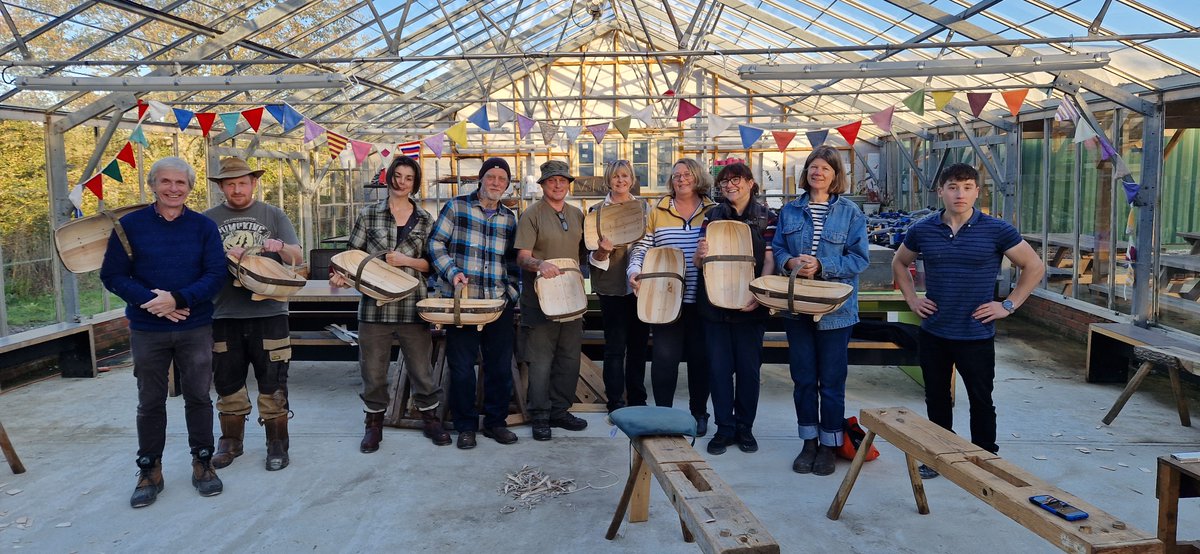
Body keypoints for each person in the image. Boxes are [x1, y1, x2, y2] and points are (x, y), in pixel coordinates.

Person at [891, 163, 1044, 479]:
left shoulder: (997, 230)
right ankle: (938, 455)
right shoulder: (923, 229)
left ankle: (986, 458)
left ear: (977, 191)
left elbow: (1034, 267)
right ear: (941, 191)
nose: (959, 193)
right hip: (935, 331)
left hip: (976, 333)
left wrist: (1009, 305)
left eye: (967, 187)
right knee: (936, 397)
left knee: (980, 399)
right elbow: (899, 263)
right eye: (952, 187)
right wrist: (913, 299)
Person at [99, 156, 227, 508]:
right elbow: (113, 275)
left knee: (199, 396)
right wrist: (151, 302)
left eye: (180, 183)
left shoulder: (202, 227)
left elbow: (216, 274)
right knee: (150, 401)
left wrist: (179, 299)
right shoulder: (130, 226)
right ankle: (149, 469)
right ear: (153, 185)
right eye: (166, 182)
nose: (173, 189)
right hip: (147, 328)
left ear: (190, 188)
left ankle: (203, 462)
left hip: (195, 325)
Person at [331, 155, 448, 452]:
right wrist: (342, 277)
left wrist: (406, 260)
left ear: (415, 183)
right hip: (375, 305)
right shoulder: (369, 214)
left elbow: (431, 266)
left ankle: (430, 418)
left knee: (421, 368)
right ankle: (374, 424)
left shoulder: (424, 219)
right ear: (389, 178)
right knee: (373, 370)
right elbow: (351, 256)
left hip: (413, 305)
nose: (402, 182)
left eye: (409, 178)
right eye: (397, 175)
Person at [772, 145, 869, 476]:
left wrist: (822, 264)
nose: (818, 173)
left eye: (825, 168)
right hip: (796, 305)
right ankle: (808, 442)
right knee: (802, 379)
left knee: (830, 381)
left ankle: (830, 444)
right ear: (806, 173)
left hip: (836, 310)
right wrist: (789, 261)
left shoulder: (851, 213)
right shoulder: (790, 210)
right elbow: (779, 247)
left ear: (835, 175)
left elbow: (859, 259)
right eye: (813, 167)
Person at [203, 156, 303, 472]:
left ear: (253, 183)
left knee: (273, 381)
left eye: (242, 182)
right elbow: (198, 264)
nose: (237, 189)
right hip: (224, 314)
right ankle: (230, 442)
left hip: (269, 312)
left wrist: (279, 247)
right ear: (221, 187)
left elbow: (296, 255)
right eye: (230, 183)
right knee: (227, 381)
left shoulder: (273, 214)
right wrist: (222, 257)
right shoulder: (207, 220)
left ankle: (277, 443)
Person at [428, 158, 521, 449]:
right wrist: (452, 272)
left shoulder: (509, 218)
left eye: (502, 179)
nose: (496, 183)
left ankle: (495, 423)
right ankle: (465, 425)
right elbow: (435, 244)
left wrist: (511, 292)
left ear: (507, 185)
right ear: (480, 179)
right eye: (491, 176)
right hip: (463, 303)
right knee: (463, 367)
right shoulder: (457, 207)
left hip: (496, 303)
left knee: (499, 367)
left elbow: (512, 260)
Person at [626, 158, 716, 436]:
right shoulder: (658, 210)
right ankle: (663, 413)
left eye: (687, 174)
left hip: (703, 298)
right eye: (676, 175)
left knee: (701, 360)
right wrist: (634, 269)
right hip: (665, 298)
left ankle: (698, 413)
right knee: (665, 359)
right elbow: (642, 246)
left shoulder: (714, 211)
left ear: (698, 177)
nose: (681, 179)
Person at [693, 162, 776, 455]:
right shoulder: (712, 216)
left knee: (748, 371)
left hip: (750, 305)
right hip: (714, 305)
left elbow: (769, 260)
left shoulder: (767, 217)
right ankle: (724, 428)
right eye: (725, 182)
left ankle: (745, 428)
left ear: (751, 183)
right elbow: (698, 261)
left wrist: (760, 293)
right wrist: (700, 255)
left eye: (736, 180)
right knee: (718, 370)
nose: (730, 186)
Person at [515, 159, 589, 441]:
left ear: (568, 185)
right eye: (552, 180)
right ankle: (540, 415)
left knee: (569, 359)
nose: (558, 185)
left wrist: (604, 251)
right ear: (544, 184)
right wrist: (540, 264)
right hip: (540, 301)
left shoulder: (577, 215)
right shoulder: (531, 214)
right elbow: (522, 257)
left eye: (563, 180)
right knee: (541, 360)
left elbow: (585, 255)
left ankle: (560, 410)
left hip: (571, 299)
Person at [587, 160, 649, 413]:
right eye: (615, 176)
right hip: (611, 288)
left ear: (632, 179)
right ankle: (615, 401)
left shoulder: (644, 209)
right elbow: (591, 257)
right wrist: (602, 253)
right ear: (608, 180)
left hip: (640, 288)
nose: (620, 180)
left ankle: (637, 398)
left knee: (638, 346)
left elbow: (651, 244)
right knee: (614, 347)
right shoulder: (596, 212)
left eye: (625, 176)